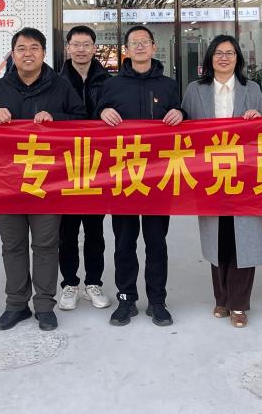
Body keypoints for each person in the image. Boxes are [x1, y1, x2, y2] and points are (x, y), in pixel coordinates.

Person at [0, 28, 86, 332]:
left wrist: (56, 119)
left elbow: (82, 122)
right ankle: (16, 304)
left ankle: (44, 306)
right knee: (12, 245)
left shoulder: (60, 87)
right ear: (13, 54)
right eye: (21, 48)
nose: (28, 53)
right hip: (6, 183)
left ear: (44, 53)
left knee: (46, 244)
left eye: (34, 48)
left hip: (47, 182)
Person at [97, 25, 184, 328]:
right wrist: (102, 112)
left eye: (144, 42)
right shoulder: (111, 85)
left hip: (159, 177)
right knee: (124, 242)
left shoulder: (169, 85)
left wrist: (181, 114)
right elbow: (95, 125)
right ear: (126, 50)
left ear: (154, 47)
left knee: (156, 242)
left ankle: (157, 301)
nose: (139, 47)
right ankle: (126, 298)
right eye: (134, 43)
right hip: (123, 176)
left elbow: (183, 120)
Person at [182, 35, 262, 328]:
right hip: (210, 176)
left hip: (245, 176)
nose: (224, 58)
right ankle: (221, 298)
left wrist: (258, 118)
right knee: (218, 238)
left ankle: (240, 304)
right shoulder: (195, 90)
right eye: (218, 53)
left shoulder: (251, 88)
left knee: (244, 238)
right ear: (209, 58)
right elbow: (184, 128)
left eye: (230, 53)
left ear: (237, 58)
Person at [57, 26, 111, 311]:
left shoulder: (108, 81)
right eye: (75, 44)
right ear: (68, 48)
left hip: (97, 166)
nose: (80, 49)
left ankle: (93, 283)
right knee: (66, 231)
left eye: (86, 44)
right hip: (64, 167)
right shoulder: (54, 81)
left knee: (94, 230)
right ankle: (69, 283)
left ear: (94, 48)